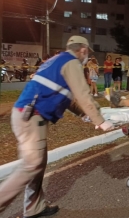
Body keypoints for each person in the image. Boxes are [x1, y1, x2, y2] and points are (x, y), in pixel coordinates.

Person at [0, 35, 114, 218]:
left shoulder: (57, 61)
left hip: (27, 115)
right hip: (31, 117)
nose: (87, 57)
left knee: (38, 163)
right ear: (83, 50)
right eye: (87, 53)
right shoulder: (72, 63)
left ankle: (33, 208)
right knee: (32, 164)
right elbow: (83, 94)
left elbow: (66, 96)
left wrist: (84, 114)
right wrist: (99, 120)